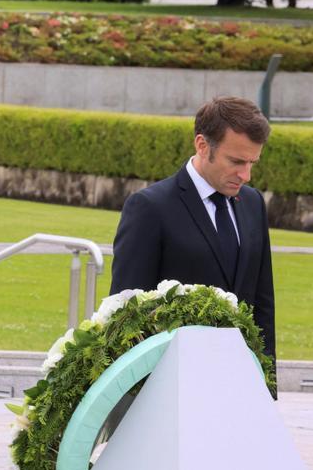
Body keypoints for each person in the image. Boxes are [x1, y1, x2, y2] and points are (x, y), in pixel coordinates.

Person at [110, 96, 276, 358]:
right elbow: (126, 314)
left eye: (251, 163)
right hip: (172, 382)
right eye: (236, 162)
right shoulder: (150, 208)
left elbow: (263, 303)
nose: (246, 175)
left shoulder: (253, 203)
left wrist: (266, 386)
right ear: (202, 144)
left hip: (240, 380)